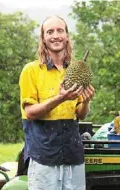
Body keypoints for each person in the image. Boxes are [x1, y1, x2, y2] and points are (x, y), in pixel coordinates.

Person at [18, 15, 95, 190]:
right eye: (50, 32)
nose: (56, 36)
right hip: (43, 156)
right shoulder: (31, 71)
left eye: (60, 30)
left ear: (67, 36)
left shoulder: (74, 70)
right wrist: (60, 98)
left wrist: (87, 101)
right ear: (43, 38)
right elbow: (30, 113)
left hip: (73, 154)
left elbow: (80, 114)